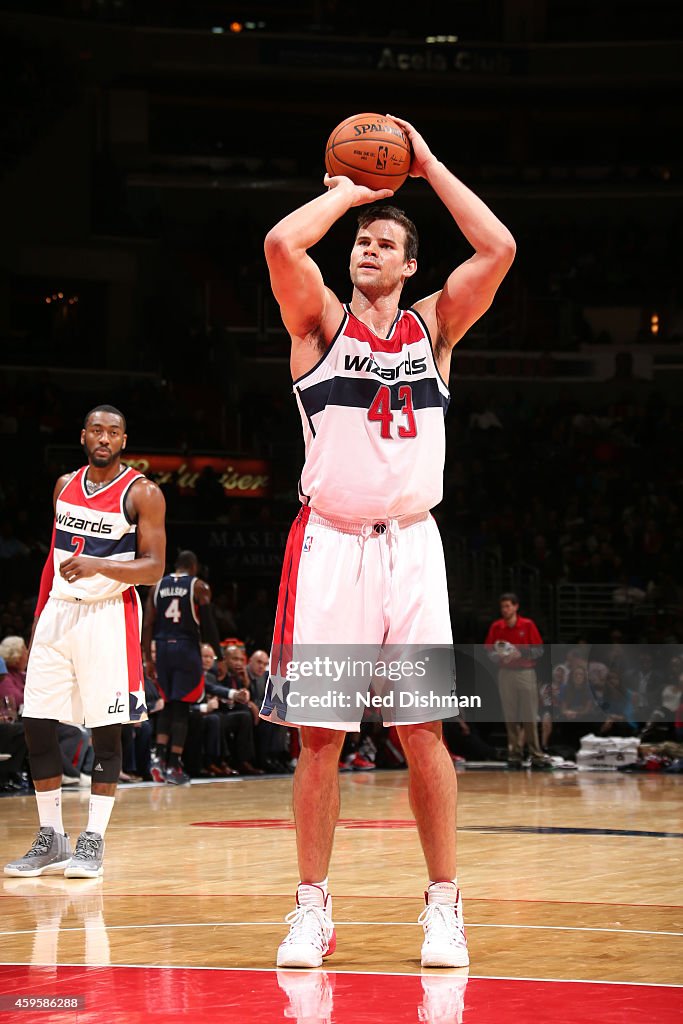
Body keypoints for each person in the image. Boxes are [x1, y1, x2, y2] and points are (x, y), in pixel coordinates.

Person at [260, 114, 515, 969]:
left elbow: (498, 248)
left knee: (423, 733)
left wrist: (428, 165)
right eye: (360, 241)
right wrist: (347, 195)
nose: (366, 249)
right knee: (320, 739)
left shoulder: (435, 327)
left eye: (384, 243)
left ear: (411, 267)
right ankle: (310, 908)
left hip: (411, 545)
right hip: (330, 544)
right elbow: (278, 245)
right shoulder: (318, 325)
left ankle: (444, 906)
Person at [4, 405, 166, 879]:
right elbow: (50, 562)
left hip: (107, 615)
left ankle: (93, 839)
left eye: (113, 431)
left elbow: (153, 567)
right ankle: (51, 836)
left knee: (105, 733)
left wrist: (101, 567)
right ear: (82, 436)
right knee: (36, 723)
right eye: (97, 430)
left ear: (123, 439)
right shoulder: (63, 486)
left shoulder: (143, 492)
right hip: (59, 611)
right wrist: (38, 625)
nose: (104, 437)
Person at [142, 550, 226, 785]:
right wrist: (219, 658)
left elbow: (147, 624)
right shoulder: (199, 586)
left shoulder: (157, 586)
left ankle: (158, 758)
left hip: (163, 648)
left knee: (168, 704)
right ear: (194, 566)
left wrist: (148, 657)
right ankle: (174, 765)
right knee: (182, 708)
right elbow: (209, 625)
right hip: (186, 648)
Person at [485, 593, 551, 770]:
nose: (505, 610)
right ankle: (514, 754)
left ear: (516, 607)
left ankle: (536, 755)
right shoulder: (497, 627)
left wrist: (520, 653)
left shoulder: (527, 625)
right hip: (506, 673)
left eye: (508, 606)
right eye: (503, 607)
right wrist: (499, 658)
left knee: (529, 716)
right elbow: (489, 651)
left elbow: (539, 650)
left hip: (525, 672)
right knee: (510, 716)